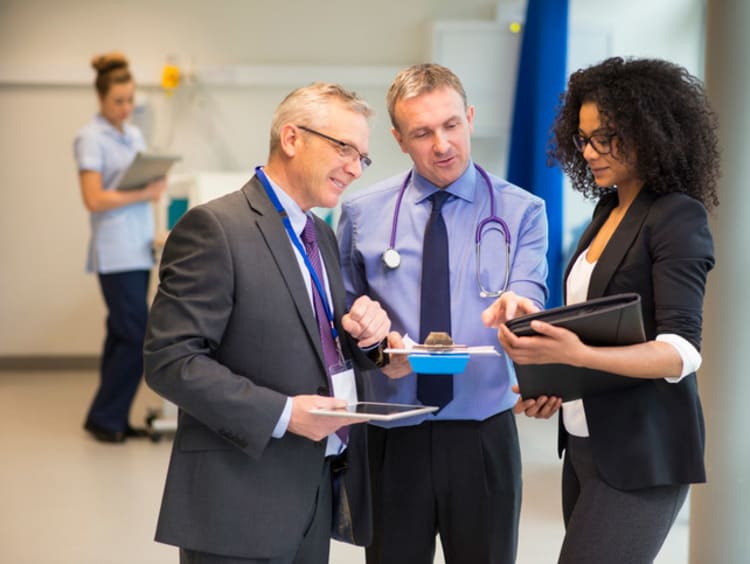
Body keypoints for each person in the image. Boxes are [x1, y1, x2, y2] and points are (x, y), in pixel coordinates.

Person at [144, 82, 392, 564]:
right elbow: (170, 361)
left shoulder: (318, 231)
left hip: (311, 493)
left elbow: (315, 335)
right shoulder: (215, 228)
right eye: (344, 148)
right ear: (292, 138)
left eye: (363, 157)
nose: (353, 168)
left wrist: (367, 337)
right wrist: (285, 414)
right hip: (238, 502)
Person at [498, 57, 719, 564]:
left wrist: (576, 356)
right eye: (584, 138)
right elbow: (598, 329)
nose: (592, 151)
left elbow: (680, 352)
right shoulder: (605, 213)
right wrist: (553, 380)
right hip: (584, 444)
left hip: (644, 451)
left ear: (651, 131)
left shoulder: (677, 216)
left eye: (608, 137)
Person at [337, 63, 549, 564]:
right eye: (422, 133)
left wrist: (521, 309)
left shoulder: (522, 211)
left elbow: (529, 290)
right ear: (398, 138)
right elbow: (342, 317)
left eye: (452, 125)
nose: (442, 145)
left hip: (482, 434)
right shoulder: (360, 213)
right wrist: (371, 348)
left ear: (470, 117)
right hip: (393, 433)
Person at [74, 52, 167, 443]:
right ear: (100, 98)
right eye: (118, 101)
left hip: (137, 247)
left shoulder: (133, 135)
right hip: (114, 252)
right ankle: (108, 416)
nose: (126, 108)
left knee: (120, 336)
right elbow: (93, 199)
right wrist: (143, 191)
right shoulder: (90, 137)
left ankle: (104, 417)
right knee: (135, 336)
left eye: (130, 100)